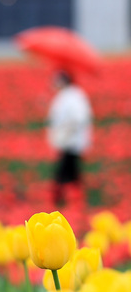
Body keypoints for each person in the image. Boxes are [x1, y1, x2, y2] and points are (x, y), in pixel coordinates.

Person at [47, 70, 92, 207]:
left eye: (56, 80)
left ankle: (61, 199)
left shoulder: (74, 96)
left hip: (72, 142)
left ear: (63, 81)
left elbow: (79, 118)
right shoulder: (66, 96)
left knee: (64, 171)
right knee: (71, 172)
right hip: (66, 141)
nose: (53, 84)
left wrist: (66, 132)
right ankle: (75, 198)